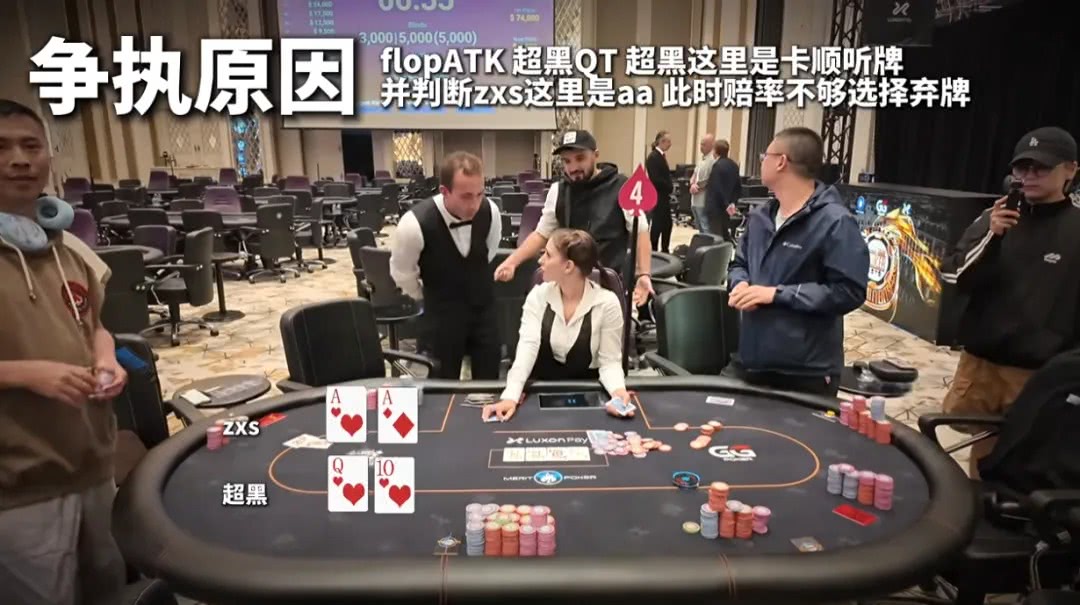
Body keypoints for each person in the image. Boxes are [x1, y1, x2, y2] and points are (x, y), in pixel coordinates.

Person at [0, 99, 128, 605]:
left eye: (31, 146)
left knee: (109, 589)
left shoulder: (66, 247)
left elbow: (96, 327)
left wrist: (107, 358)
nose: (19, 159)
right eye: (1, 147)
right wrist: (24, 373)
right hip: (20, 487)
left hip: (91, 463)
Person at [940, 126, 1080, 477]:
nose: (1028, 176)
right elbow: (954, 276)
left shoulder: (1075, 228)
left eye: (1041, 168)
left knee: (1029, 460)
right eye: (1022, 167)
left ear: (1070, 170)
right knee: (981, 455)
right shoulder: (993, 218)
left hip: (1041, 373)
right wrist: (992, 236)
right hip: (982, 364)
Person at [724, 127, 869, 397]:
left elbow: (848, 291)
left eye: (765, 156)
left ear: (781, 162)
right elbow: (739, 264)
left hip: (805, 371)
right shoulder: (760, 217)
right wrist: (740, 283)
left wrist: (776, 295)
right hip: (753, 359)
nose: (761, 161)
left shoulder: (835, 222)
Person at [482, 229, 630, 422]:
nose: (540, 260)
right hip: (540, 390)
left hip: (587, 394)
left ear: (568, 266)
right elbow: (527, 347)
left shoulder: (607, 303)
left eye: (548, 255)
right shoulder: (538, 296)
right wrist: (510, 396)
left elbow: (609, 362)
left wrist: (618, 392)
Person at [494, 130, 653, 308]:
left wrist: (644, 274)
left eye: (580, 158)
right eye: (567, 161)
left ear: (596, 155)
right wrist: (512, 262)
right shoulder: (558, 191)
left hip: (608, 286)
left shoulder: (622, 186)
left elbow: (641, 231)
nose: (573, 167)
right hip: (566, 285)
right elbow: (541, 234)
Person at [390, 151, 503, 380]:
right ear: (444, 191)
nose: (475, 204)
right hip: (440, 318)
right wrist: (432, 296)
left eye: (479, 194)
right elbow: (403, 274)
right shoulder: (414, 224)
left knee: (488, 384)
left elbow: (488, 253)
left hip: (484, 311)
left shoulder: (490, 211)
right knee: (441, 386)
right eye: (466, 196)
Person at [705, 139, 741, 242]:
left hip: (715, 206)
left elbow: (717, 187)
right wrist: (732, 203)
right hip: (727, 208)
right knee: (724, 232)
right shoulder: (734, 165)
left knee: (716, 236)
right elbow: (738, 187)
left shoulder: (717, 166)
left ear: (715, 151)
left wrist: (725, 203)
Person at [645, 130, 675, 252]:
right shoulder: (653, 157)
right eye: (668, 141)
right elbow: (656, 179)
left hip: (663, 196)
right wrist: (669, 186)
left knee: (667, 224)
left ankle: (664, 249)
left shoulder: (660, 156)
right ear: (662, 142)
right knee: (658, 224)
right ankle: (654, 249)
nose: (670, 144)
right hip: (658, 196)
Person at [689, 133, 716, 233]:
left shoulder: (712, 160)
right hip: (695, 199)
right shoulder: (701, 159)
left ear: (711, 145)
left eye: (704, 144)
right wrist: (692, 184)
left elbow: (710, 179)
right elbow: (694, 174)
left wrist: (698, 187)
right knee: (699, 226)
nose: (701, 147)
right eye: (701, 144)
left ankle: (707, 243)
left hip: (703, 200)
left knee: (705, 227)